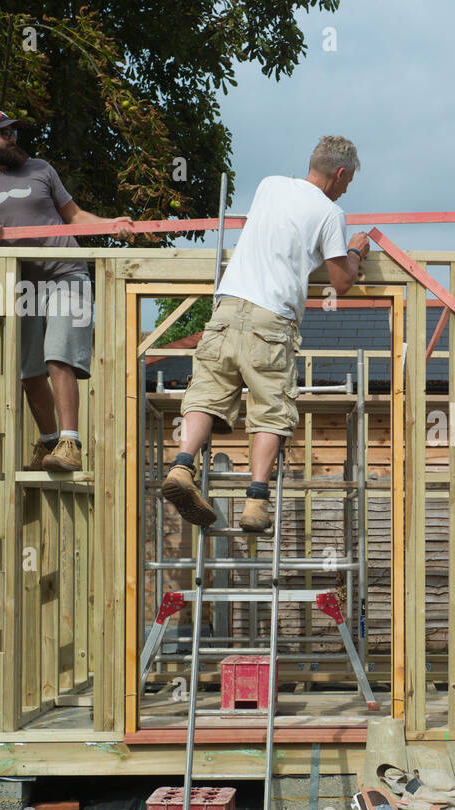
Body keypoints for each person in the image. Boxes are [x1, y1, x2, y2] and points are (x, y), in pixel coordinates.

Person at [160, 136, 370, 533]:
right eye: (348, 181)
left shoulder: (269, 185)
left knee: (205, 395)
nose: (346, 189)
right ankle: (255, 503)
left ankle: (182, 467)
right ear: (340, 173)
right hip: (271, 320)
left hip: (226, 308)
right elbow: (341, 282)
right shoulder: (331, 213)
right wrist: (356, 250)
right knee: (271, 412)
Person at [0, 107, 134, 472]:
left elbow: (74, 216)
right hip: (18, 284)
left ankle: (71, 442)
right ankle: (51, 442)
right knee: (29, 369)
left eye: (14, 131)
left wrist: (111, 223)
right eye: (4, 132)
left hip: (66, 273)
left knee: (58, 354)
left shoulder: (41, 169)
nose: (13, 137)